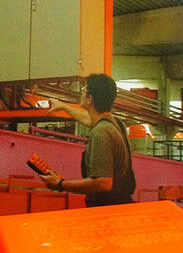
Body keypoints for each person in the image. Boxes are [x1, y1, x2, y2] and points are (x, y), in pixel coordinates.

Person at [41, 73, 135, 205]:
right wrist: (63, 106)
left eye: (83, 90)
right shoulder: (116, 124)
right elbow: (88, 118)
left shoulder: (100, 132)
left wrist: (60, 184)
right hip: (121, 204)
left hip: (105, 208)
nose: (81, 93)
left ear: (90, 99)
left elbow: (103, 183)